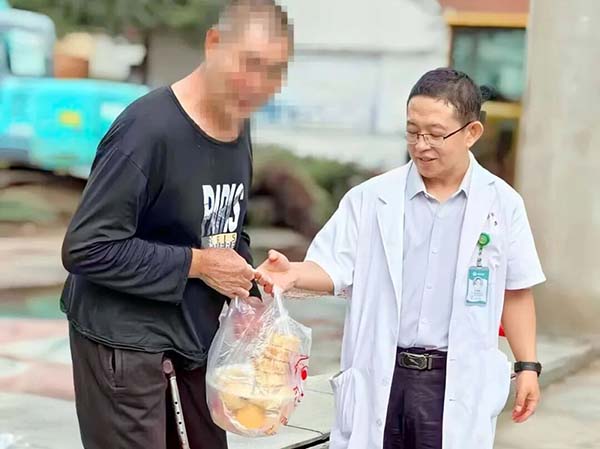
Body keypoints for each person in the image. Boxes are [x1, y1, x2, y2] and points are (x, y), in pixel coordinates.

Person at [256, 68, 545, 449]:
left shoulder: (503, 204)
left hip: (454, 382)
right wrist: (291, 274)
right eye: (412, 132)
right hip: (383, 373)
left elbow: (516, 291)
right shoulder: (371, 198)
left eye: (436, 134)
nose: (421, 145)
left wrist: (527, 366)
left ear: (471, 133)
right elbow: (332, 266)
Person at [60, 1, 292, 448]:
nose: (258, 83)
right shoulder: (147, 130)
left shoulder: (237, 123)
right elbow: (87, 247)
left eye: (273, 71)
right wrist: (198, 264)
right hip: (123, 344)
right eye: (249, 63)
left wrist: (249, 296)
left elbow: (225, 228)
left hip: (192, 338)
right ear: (214, 43)